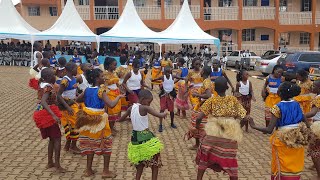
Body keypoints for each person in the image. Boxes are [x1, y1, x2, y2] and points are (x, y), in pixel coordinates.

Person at [249, 82, 308, 180]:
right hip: (298, 139)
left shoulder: (277, 107)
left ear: (279, 93)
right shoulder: (297, 104)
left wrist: (254, 126)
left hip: (283, 140)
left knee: (282, 165)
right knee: (295, 163)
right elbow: (304, 118)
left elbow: (269, 129)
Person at [194, 77, 248, 180]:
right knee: (230, 162)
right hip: (229, 136)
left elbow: (199, 117)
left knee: (204, 158)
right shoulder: (233, 100)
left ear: (214, 88)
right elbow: (245, 118)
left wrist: (197, 128)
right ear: (227, 87)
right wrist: (237, 128)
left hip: (212, 135)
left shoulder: (211, 100)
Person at [76, 69, 124, 178]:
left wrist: (88, 105)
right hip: (99, 120)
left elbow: (78, 99)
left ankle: (88, 170)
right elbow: (111, 105)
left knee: (89, 143)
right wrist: (118, 97)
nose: (104, 78)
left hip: (87, 120)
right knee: (106, 143)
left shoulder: (87, 90)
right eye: (102, 76)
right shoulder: (101, 91)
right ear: (97, 79)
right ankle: (105, 171)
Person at [119, 90, 166, 180]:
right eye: (148, 102)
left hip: (135, 138)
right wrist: (164, 113)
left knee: (140, 163)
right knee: (155, 163)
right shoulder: (145, 108)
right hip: (145, 137)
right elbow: (159, 115)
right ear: (143, 99)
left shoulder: (131, 108)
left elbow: (121, 119)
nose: (149, 104)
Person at [32, 68, 66, 173]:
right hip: (47, 114)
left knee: (52, 138)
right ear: (48, 77)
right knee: (57, 138)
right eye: (52, 75)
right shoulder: (48, 87)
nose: (54, 76)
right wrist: (53, 115)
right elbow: (43, 101)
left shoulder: (42, 85)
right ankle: (57, 165)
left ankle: (50, 162)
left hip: (42, 113)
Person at [186, 66, 215, 150]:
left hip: (204, 107)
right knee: (201, 125)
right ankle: (200, 144)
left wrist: (197, 95)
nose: (200, 71)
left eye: (201, 70)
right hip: (203, 106)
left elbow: (208, 95)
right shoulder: (206, 81)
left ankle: (199, 145)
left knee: (198, 124)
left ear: (203, 72)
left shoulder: (206, 82)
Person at [57, 62, 81, 154]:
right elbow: (59, 95)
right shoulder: (65, 81)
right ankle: (72, 146)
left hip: (73, 103)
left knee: (74, 124)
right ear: (71, 70)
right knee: (74, 125)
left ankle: (68, 145)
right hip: (67, 105)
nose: (77, 70)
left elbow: (73, 91)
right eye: (76, 69)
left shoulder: (74, 79)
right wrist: (67, 107)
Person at [152, 66, 181, 132]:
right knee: (162, 110)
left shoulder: (172, 76)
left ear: (170, 72)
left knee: (171, 111)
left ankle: (172, 123)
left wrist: (183, 78)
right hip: (164, 95)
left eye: (169, 72)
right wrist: (153, 80)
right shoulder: (163, 77)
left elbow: (178, 77)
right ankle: (160, 125)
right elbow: (157, 78)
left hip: (170, 96)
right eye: (166, 72)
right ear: (164, 73)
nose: (168, 74)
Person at [305, 80, 320, 178]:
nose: (312, 87)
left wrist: (299, 115)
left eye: (314, 86)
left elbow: (312, 113)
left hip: (318, 127)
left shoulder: (318, 99)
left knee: (314, 151)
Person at [104, 57, 122, 133]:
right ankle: (110, 128)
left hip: (116, 93)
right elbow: (105, 83)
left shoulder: (115, 73)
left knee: (116, 111)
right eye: (114, 65)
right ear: (109, 65)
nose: (115, 67)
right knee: (110, 112)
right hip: (109, 93)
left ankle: (112, 126)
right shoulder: (104, 74)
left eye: (116, 65)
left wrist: (120, 88)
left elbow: (118, 83)